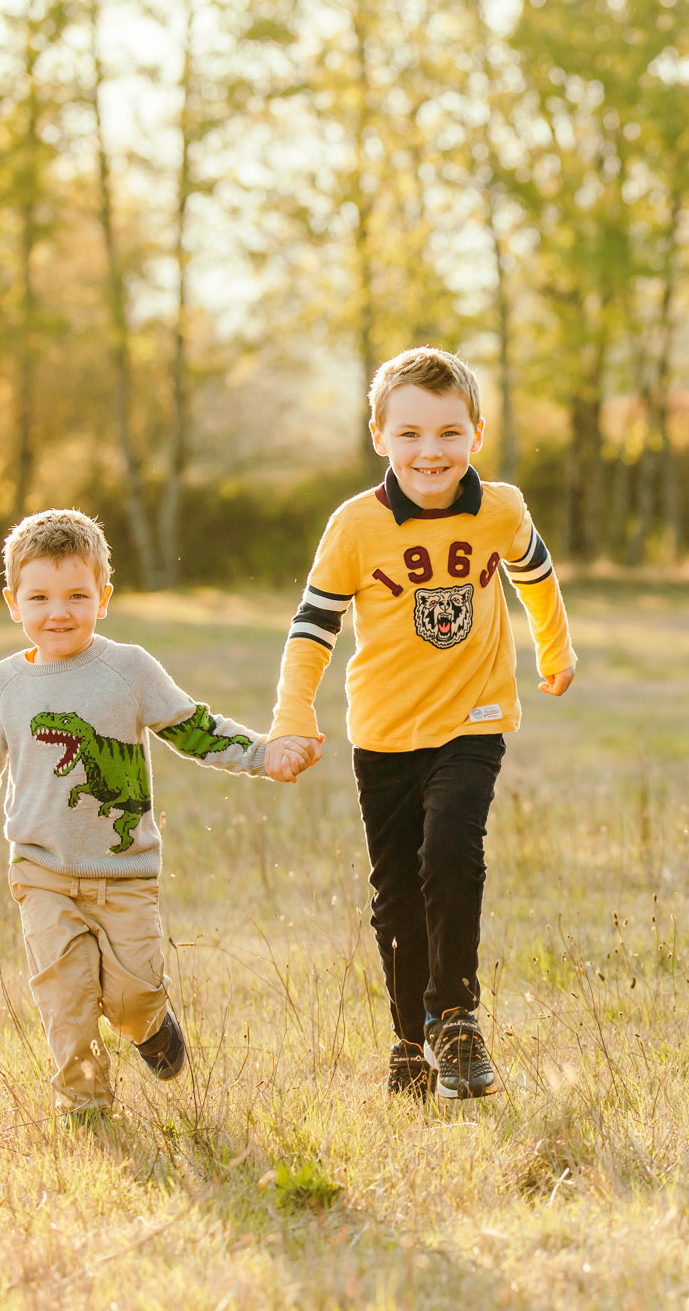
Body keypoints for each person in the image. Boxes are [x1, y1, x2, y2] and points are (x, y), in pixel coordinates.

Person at [263, 347, 575, 1100]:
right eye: (408, 434)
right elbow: (313, 626)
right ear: (379, 436)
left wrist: (556, 649)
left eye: (446, 432)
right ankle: (410, 1040)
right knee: (396, 891)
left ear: (476, 432)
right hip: (382, 730)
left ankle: (459, 1021)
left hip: (473, 718)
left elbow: (536, 576)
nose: (428, 451)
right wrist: (291, 712)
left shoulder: (500, 507)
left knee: (450, 851)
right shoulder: (354, 526)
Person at [0, 509, 272, 1121]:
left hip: (125, 873)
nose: (57, 612)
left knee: (132, 998)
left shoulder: (129, 668)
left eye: (76, 596)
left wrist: (262, 754)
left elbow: (189, 729)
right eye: (39, 597)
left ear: (103, 598)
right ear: (12, 602)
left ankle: (150, 1025)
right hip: (42, 874)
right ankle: (85, 1110)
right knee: (66, 1000)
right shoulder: (6, 683)